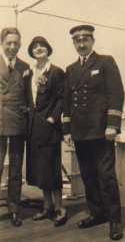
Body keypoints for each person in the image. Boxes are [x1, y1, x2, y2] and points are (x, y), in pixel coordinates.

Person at [63, 25, 124, 240]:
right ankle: (97, 213)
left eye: (85, 40)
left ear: (92, 41)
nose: (81, 44)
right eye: (77, 41)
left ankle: (115, 220)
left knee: (106, 176)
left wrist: (112, 124)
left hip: (101, 130)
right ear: (74, 43)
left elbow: (116, 93)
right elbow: (67, 101)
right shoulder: (71, 69)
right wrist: (67, 129)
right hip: (80, 132)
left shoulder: (105, 62)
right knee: (88, 176)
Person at [26, 36, 67, 227]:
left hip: (49, 128)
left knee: (52, 167)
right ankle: (47, 206)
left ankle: (60, 208)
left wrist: (53, 117)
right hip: (34, 127)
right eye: (35, 47)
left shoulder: (56, 72)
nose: (39, 49)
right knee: (41, 168)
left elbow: (62, 98)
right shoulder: (30, 73)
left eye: (42, 46)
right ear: (32, 51)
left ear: (48, 49)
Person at [0, 27, 29, 227]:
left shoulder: (24, 66)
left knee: (16, 169)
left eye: (16, 43)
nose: (12, 47)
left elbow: (28, 97)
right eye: (9, 43)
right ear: (2, 43)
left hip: (18, 122)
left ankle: (14, 209)